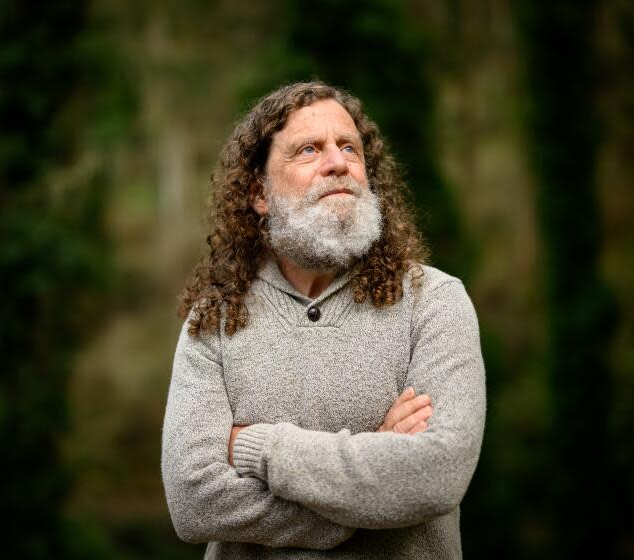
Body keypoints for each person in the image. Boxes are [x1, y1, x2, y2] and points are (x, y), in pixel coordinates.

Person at [162, 81, 486, 559]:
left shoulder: (434, 301)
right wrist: (368, 474)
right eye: (309, 150)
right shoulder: (214, 319)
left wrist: (260, 447)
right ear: (259, 193)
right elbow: (194, 502)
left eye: (349, 147)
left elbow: (434, 475)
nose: (337, 163)